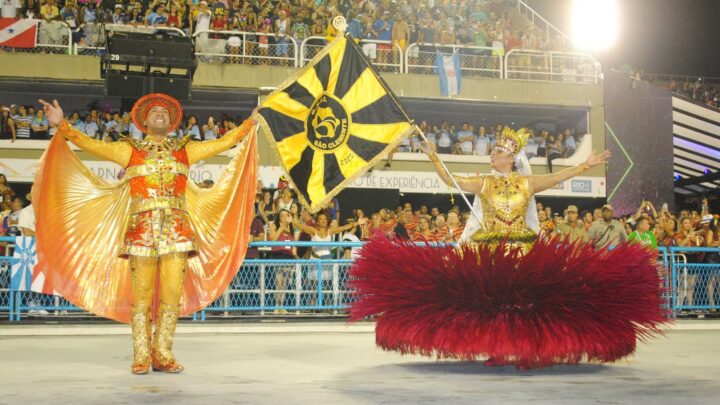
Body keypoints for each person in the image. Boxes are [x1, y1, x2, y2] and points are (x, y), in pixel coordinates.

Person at [350, 127, 666, 369]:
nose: (492, 155)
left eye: (498, 152)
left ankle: (528, 345)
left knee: (523, 302)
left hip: (522, 247)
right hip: (487, 247)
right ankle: (485, 343)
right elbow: (450, 180)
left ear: (511, 158)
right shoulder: (484, 181)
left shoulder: (526, 183)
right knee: (480, 298)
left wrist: (586, 165)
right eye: (493, 151)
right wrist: (433, 154)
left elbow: (558, 177)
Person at [34, 94, 258, 374]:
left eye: (165, 111)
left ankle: (163, 354)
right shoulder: (129, 150)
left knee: (172, 296)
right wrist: (62, 125)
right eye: (155, 111)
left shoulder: (185, 150)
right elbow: (89, 143)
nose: (160, 113)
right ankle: (141, 355)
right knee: (140, 298)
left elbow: (224, 142)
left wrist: (250, 123)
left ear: (172, 121)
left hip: (177, 232)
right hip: (141, 232)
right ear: (144, 121)